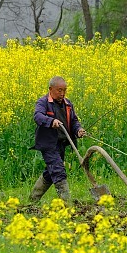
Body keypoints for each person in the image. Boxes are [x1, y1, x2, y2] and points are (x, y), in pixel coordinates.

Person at [29, 76, 86, 204]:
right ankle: (66, 203)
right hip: (48, 144)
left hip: (61, 144)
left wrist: (78, 130)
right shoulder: (43, 102)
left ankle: (32, 200)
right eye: (59, 90)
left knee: (50, 172)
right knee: (58, 170)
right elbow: (37, 116)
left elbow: (74, 121)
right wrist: (51, 121)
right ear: (50, 89)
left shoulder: (68, 104)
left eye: (64, 90)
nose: (62, 93)